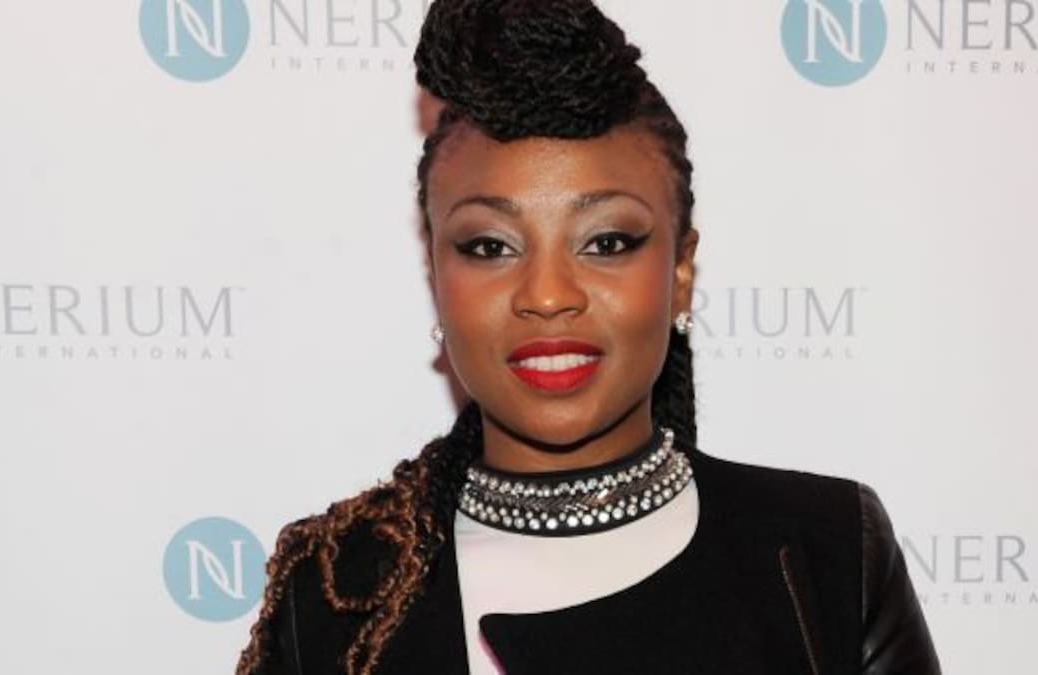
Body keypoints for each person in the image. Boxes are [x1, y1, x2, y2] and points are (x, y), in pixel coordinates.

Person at [236, 1, 941, 673]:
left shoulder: (825, 551)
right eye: (490, 246)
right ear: (437, 277)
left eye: (606, 241)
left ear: (681, 271)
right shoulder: (340, 589)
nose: (548, 295)